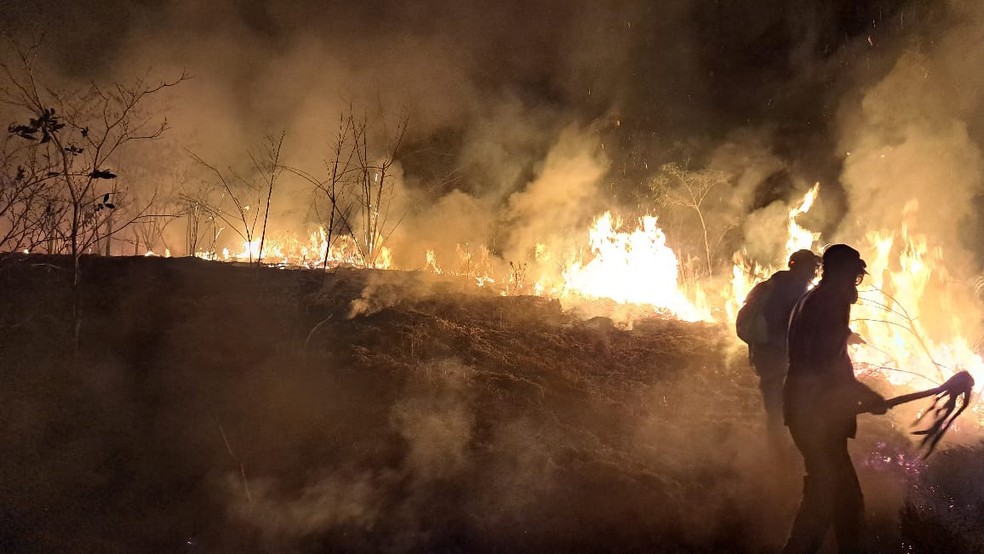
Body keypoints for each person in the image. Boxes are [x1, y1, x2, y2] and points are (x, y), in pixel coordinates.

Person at [782, 244, 888, 554]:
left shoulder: (814, 300)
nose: (857, 284)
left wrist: (857, 396)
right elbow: (827, 365)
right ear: (842, 274)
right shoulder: (828, 304)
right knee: (828, 499)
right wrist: (866, 396)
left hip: (810, 411)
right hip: (816, 417)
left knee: (841, 501)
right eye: (855, 276)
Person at [747, 249, 821, 447]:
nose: (815, 272)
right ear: (802, 267)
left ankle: (778, 444)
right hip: (780, 355)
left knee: (774, 403)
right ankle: (783, 450)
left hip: (764, 354)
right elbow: (800, 324)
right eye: (813, 267)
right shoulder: (795, 289)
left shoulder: (770, 285)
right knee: (787, 403)